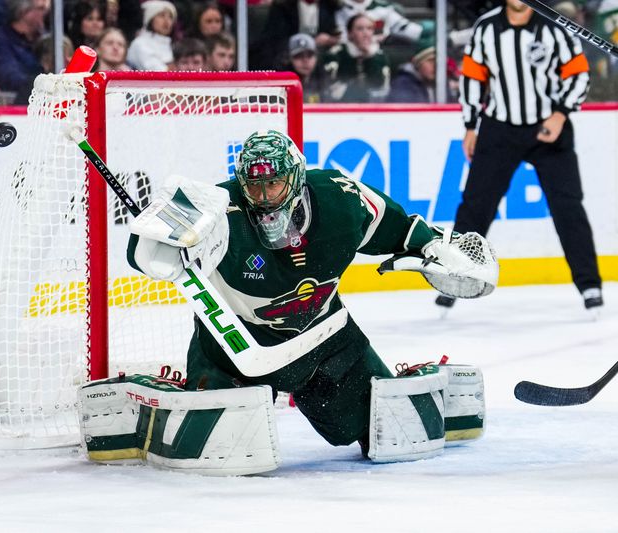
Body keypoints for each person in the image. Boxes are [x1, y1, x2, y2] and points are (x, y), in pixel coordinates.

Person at [87, 130, 488, 472]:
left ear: (296, 178)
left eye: (273, 183)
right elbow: (140, 252)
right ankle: (153, 397)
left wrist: (440, 249)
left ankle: (420, 387)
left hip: (325, 345)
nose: (263, 196)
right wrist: (159, 242)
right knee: (212, 456)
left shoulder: (341, 200)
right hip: (232, 352)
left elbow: (404, 230)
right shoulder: (216, 209)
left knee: (395, 433)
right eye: (254, 185)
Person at [441, 0, 603, 312]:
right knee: (475, 206)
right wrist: (471, 125)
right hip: (500, 127)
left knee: (568, 206)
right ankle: (454, 278)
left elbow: (579, 74)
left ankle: (589, 284)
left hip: (548, 127)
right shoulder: (487, 27)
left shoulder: (555, 26)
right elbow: (473, 79)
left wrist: (560, 115)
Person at [0, 0, 50, 97]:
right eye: (41, 8)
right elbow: (10, 78)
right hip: (20, 103)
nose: (46, 13)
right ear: (23, 12)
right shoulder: (1, 42)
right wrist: (44, 83)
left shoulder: (45, 38)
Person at [323, 14, 391, 102]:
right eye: (360, 29)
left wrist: (370, 57)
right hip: (341, 105)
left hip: (372, 106)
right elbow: (330, 87)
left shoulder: (379, 56)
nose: (366, 33)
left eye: (369, 29)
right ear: (350, 33)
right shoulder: (336, 54)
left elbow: (381, 86)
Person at [127, 0, 177, 71]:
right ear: (150, 19)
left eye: (170, 17)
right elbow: (160, 72)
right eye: (161, 15)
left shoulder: (171, 45)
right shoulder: (140, 44)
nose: (167, 21)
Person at [285, 33, 329, 103]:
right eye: (299, 56)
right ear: (290, 59)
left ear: (316, 57)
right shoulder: (282, 85)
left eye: (310, 55)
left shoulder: (325, 81)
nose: (305, 61)